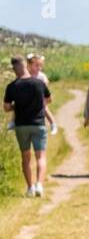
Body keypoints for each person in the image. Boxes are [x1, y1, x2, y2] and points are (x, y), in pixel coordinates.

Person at [3, 56, 52, 197]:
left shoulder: (12, 86)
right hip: (38, 124)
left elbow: (6, 107)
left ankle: (30, 188)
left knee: (25, 157)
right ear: (26, 66)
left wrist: (16, 106)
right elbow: (49, 99)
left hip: (21, 125)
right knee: (40, 156)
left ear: (14, 69)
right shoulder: (38, 83)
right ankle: (40, 186)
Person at [24, 54, 56, 134]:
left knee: (45, 108)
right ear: (29, 65)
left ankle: (53, 124)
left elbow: (45, 87)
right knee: (19, 106)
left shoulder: (41, 76)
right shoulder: (27, 74)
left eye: (40, 66)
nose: (39, 68)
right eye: (37, 65)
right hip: (29, 97)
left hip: (40, 97)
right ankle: (13, 122)